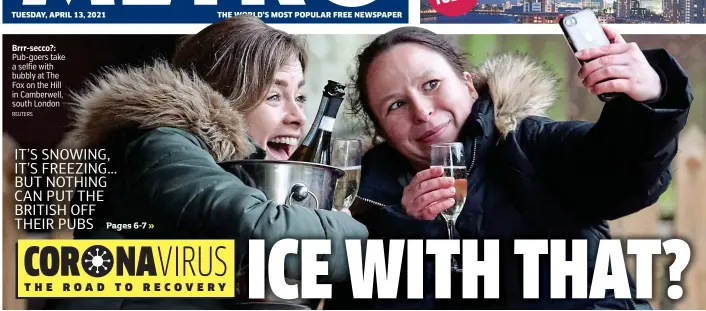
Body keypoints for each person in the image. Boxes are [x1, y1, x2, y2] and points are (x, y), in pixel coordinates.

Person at [332, 26, 692, 309]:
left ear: (469, 85)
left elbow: (622, 172)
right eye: (395, 105)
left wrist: (650, 100)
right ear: (382, 131)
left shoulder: (534, 144)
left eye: (431, 84)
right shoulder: (363, 210)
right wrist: (406, 230)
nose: (422, 111)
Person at [47, 15, 368, 310]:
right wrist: (347, 230)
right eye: (274, 96)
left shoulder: (226, 170)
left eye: (299, 97)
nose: (299, 117)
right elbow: (256, 229)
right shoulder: (160, 144)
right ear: (223, 98)